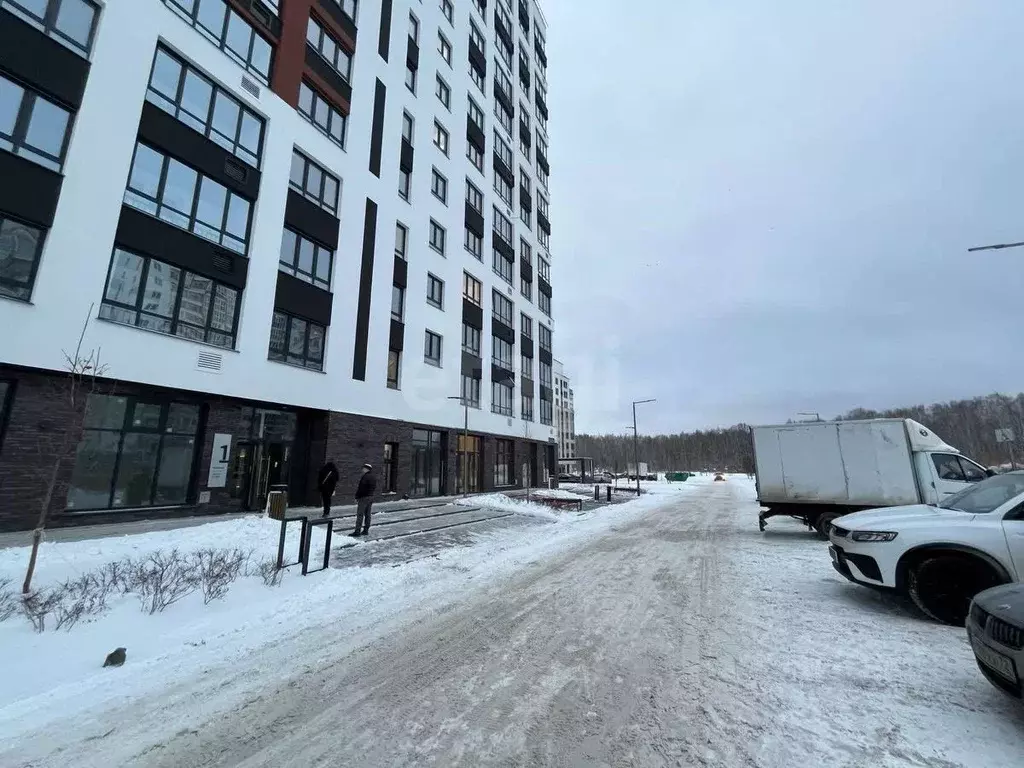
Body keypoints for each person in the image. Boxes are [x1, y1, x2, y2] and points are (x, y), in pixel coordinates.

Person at [353, 463, 377, 536]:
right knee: (368, 514)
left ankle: (357, 531)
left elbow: (361, 488)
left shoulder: (365, 477)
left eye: (363, 468)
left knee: (360, 514)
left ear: (367, 469)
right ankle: (366, 530)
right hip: (370, 497)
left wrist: (357, 497)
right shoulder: (373, 477)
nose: (362, 469)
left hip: (363, 498)